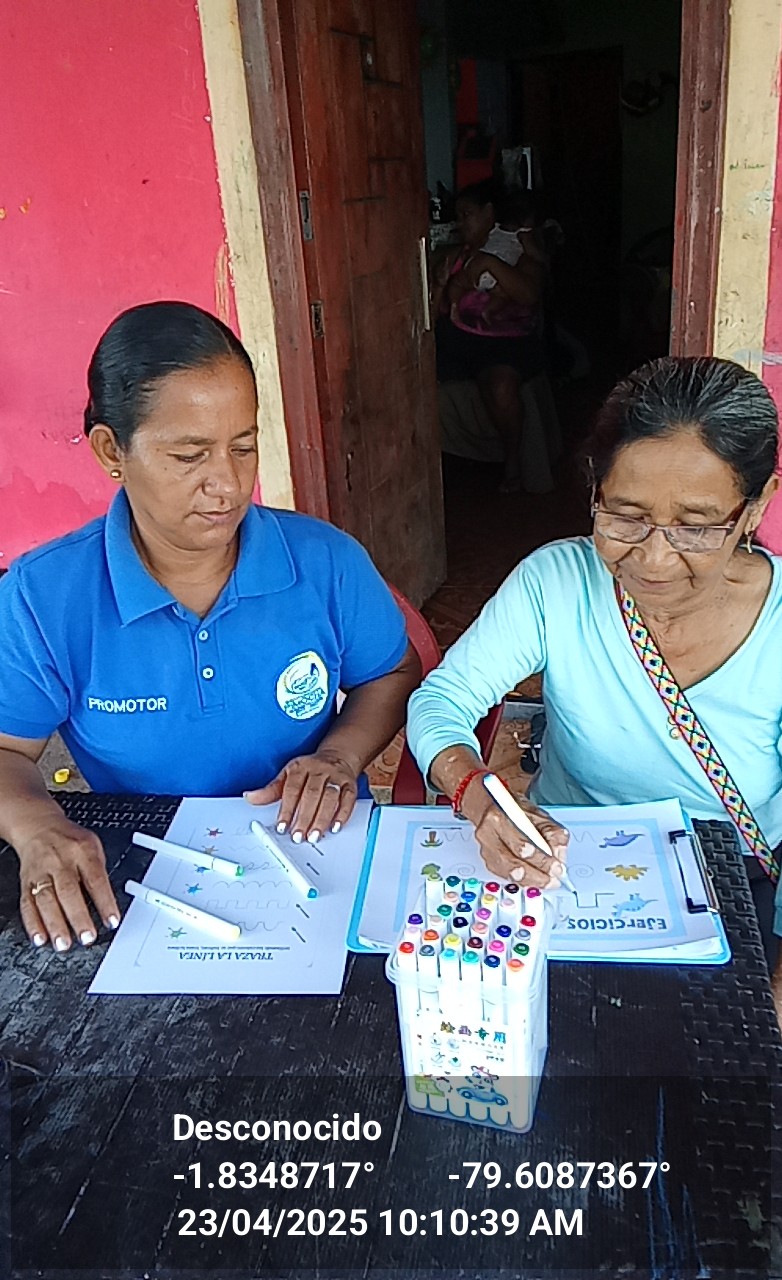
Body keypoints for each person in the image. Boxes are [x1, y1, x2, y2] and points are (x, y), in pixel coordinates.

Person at [0, 301, 420, 953]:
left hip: (319, 847)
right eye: (189, 455)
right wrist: (34, 826)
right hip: (150, 870)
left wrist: (339, 756)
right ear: (112, 450)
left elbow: (391, 672)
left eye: (243, 447)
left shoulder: (325, 562)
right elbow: (7, 751)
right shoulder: (44, 596)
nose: (226, 484)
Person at [408, 356, 782, 978]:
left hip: (732, 883)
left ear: (756, 505)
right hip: (563, 862)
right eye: (626, 517)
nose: (654, 561)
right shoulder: (557, 582)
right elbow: (439, 701)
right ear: (595, 490)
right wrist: (479, 796)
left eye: (695, 528)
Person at [433, 182, 546, 493]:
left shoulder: (519, 250)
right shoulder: (457, 256)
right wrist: (441, 286)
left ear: (489, 213)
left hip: (506, 343)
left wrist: (488, 263)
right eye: (458, 217)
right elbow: (436, 313)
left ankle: (513, 464)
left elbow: (528, 295)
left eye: (467, 215)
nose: (460, 224)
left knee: (499, 385)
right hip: (459, 341)